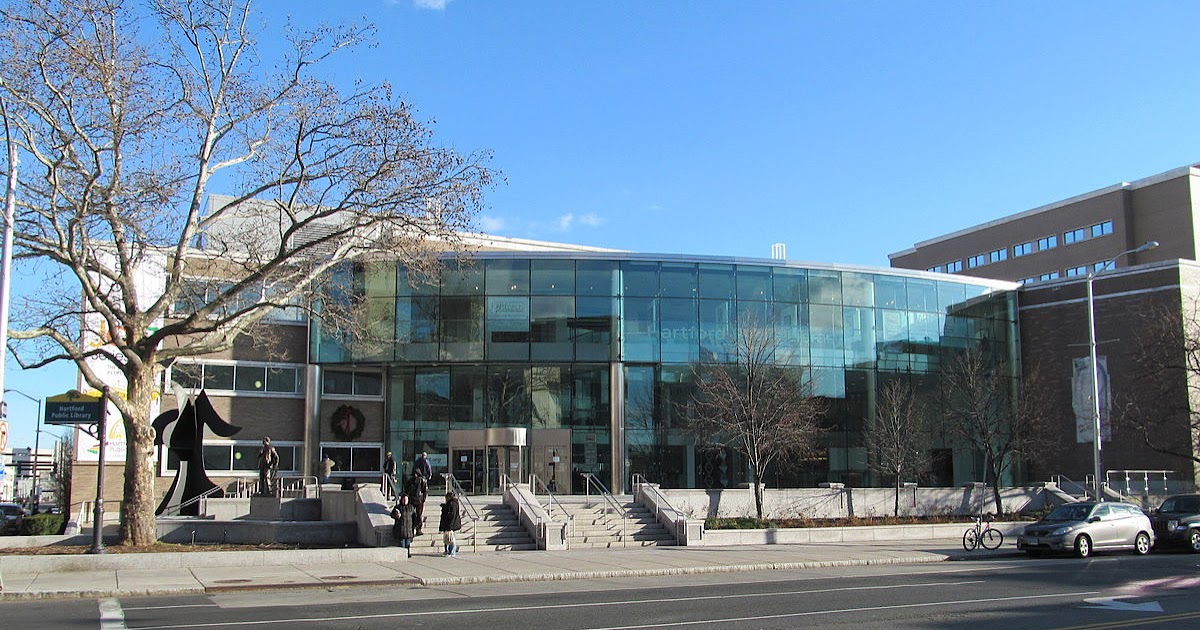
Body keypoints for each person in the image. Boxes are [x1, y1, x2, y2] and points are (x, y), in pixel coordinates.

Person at [403, 469, 429, 536]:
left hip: (419, 500)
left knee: (419, 515)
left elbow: (425, 490)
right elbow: (406, 489)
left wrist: (423, 498)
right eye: (414, 474)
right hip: (411, 500)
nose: (415, 475)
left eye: (416, 474)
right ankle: (412, 528)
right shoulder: (410, 481)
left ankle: (418, 529)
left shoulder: (422, 481)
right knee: (411, 515)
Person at [438, 491, 463, 556]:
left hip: (451, 525)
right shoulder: (450, 504)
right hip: (448, 524)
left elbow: (452, 515)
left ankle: (451, 552)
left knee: (451, 538)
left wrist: (450, 526)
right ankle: (448, 551)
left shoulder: (453, 504)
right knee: (448, 538)